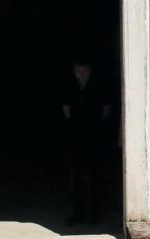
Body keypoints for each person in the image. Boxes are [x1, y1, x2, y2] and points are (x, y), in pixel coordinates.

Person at [61, 57, 112, 225]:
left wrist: (92, 127)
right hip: (75, 138)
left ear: (90, 71)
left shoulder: (100, 87)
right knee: (75, 178)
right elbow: (66, 111)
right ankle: (78, 214)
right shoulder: (70, 87)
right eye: (78, 70)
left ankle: (93, 215)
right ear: (74, 71)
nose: (81, 73)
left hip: (94, 138)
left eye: (84, 70)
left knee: (93, 177)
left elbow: (106, 111)